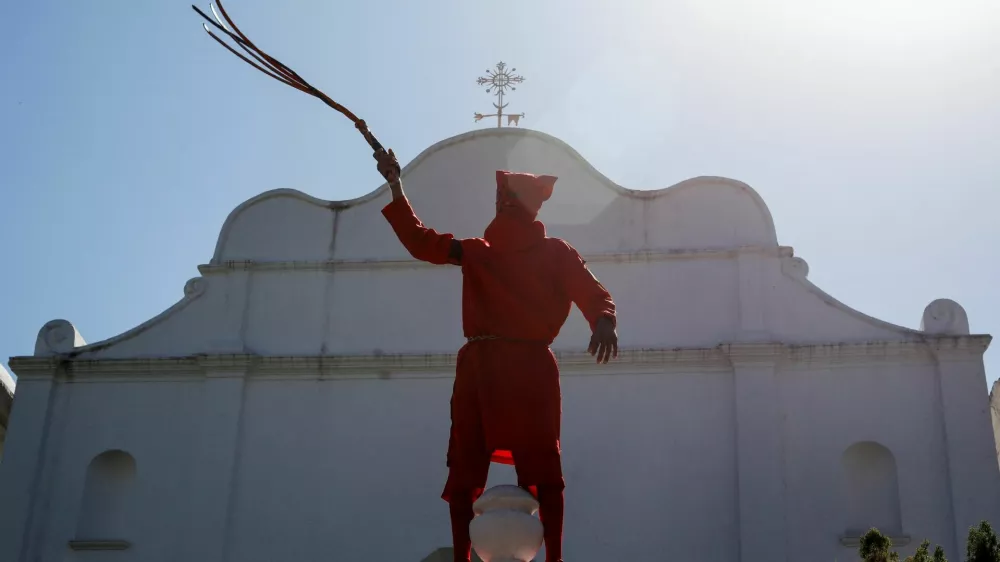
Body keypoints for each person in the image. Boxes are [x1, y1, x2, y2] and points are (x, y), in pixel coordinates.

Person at [370, 135, 619, 562]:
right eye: (501, 201)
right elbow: (421, 240)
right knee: (477, 465)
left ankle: (552, 556)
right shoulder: (479, 252)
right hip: (495, 368)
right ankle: (475, 557)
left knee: (535, 463)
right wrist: (395, 184)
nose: (502, 209)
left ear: (521, 208)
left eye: (507, 202)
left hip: (511, 368)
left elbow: (592, 293)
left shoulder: (547, 253)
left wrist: (604, 320)